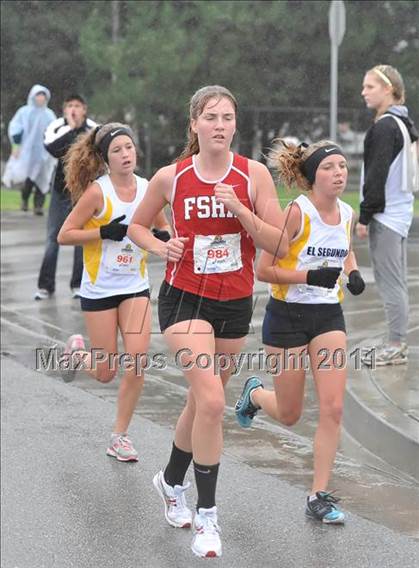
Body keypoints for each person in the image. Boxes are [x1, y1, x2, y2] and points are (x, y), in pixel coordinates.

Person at [128, 85, 289, 558]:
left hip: (235, 301)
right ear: (195, 124)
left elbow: (278, 244)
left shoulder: (252, 175)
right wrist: (162, 246)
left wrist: (239, 208)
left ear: (235, 125)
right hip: (184, 300)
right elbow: (139, 225)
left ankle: (170, 480)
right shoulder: (171, 177)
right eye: (211, 117)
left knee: (203, 403)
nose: (220, 125)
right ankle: (208, 517)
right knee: (215, 401)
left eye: (227, 117)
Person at [235, 139, 366, 525]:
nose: (339, 172)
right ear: (312, 177)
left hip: (328, 316)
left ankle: (318, 494)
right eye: (330, 167)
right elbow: (264, 269)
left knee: (333, 406)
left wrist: (352, 273)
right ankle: (256, 395)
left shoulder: (347, 213)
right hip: (287, 316)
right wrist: (309, 275)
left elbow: (344, 250)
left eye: (342, 166)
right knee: (290, 414)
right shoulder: (296, 212)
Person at [57, 122, 170, 462]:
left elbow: (163, 226)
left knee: (137, 362)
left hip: (135, 288)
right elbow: (65, 234)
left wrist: (161, 237)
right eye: (117, 150)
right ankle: (76, 353)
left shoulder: (148, 188)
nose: (125, 154)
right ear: (106, 158)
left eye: (129, 148)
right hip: (100, 290)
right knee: (106, 372)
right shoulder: (97, 192)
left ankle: (119, 436)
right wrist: (102, 232)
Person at [356, 64, 419, 366]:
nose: (363, 92)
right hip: (400, 213)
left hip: (386, 216)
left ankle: (395, 344)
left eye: (370, 86)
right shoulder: (403, 122)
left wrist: (365, 216)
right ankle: (397, 340)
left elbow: (376, 175)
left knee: (391, 282)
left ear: (389, 89)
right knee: (397, 282)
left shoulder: (384, 127)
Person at [34, 94, 96, 300]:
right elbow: (54, 149)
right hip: (60, 190)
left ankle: (78, 285)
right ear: (64, 109)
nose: (74, 109)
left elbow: (96, 152)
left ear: (84, 109)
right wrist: (72, 128)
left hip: (83, 191)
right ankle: (45, 286)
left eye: (77, 106)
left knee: (80, 237)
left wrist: (79, 129)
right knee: (53, 237)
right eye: (70, 106)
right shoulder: (56, 127)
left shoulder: (94, 128)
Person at [3, 84, 56, 214]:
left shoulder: (49, 115)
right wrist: (16, 146)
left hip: (44, 154)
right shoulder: (24, 112)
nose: (41, 98)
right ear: (33, 96)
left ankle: (38, 206)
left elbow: (55, 131)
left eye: (43, 95)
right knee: (29, 179)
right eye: (38, 95)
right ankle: (25, 199)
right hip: (28, 153)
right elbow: (15, 128)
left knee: (43, 180)